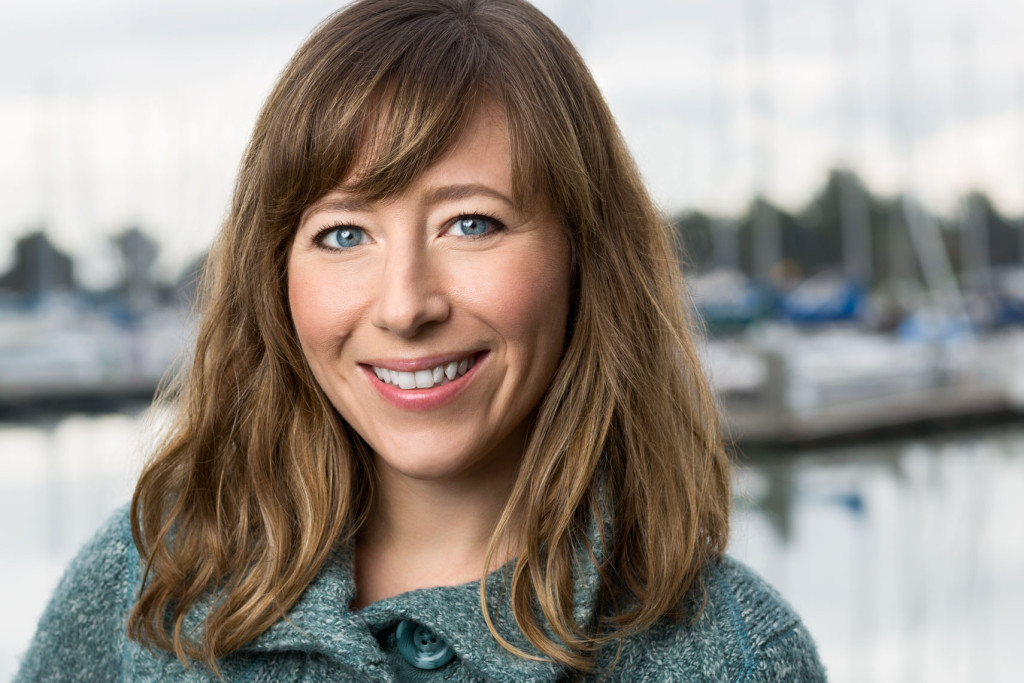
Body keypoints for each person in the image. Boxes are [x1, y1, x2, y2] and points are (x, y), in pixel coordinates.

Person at [16, 0, 826, 680]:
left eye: (471, 223)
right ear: (275, 274)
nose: (405, 305)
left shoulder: (738, 654)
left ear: (586, 255)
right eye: (342, 234)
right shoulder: (147, 582)